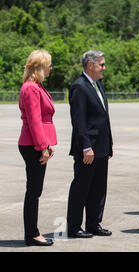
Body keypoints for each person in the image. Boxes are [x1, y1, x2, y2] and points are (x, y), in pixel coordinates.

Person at [66, 50, 113, 239]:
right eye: (101, 64)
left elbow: (103, 118)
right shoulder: (79, 87)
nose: (104, 68)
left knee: (99, 188)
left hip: (101, 147)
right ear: (90, 65)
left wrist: (109, 144)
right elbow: (79, 121)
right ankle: (74, 227)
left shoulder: (97, 85)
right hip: (88, 149)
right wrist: (86, 146)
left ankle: (94, 223)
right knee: (81, 188)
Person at [18, 50, 56, 247]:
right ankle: (32, 234)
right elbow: (34, 121)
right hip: (33, 145)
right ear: (40, 67)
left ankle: (32, 232)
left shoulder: (35, 86)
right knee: (33, 192)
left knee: (34, 191)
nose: (51, 68)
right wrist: (42, 147)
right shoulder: (31, 88)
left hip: (36, 144)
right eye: (49, 64)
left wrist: (47, 144)